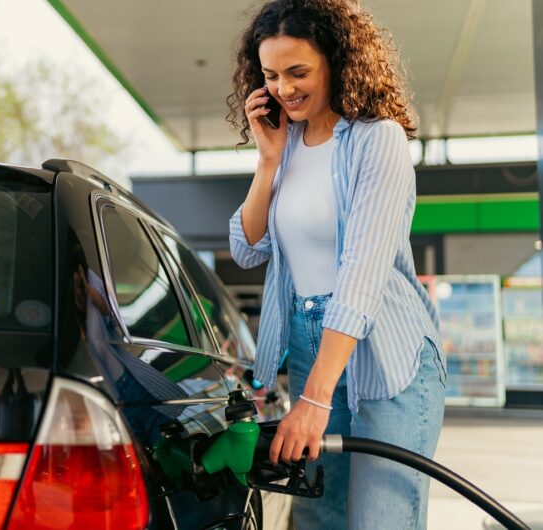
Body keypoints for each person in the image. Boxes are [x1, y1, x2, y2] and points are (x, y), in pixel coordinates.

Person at [226, 1, 446, 528]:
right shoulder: (288, 144)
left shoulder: (378, 140)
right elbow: (246, 247)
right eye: (272, 75)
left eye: (298, 72)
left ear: (337, 62)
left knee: (379, 520)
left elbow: (362, 273)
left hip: (386, 360)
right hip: (310, 350)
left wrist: (315, 399)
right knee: (318, 521)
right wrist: (268, 162)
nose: (283, 88)